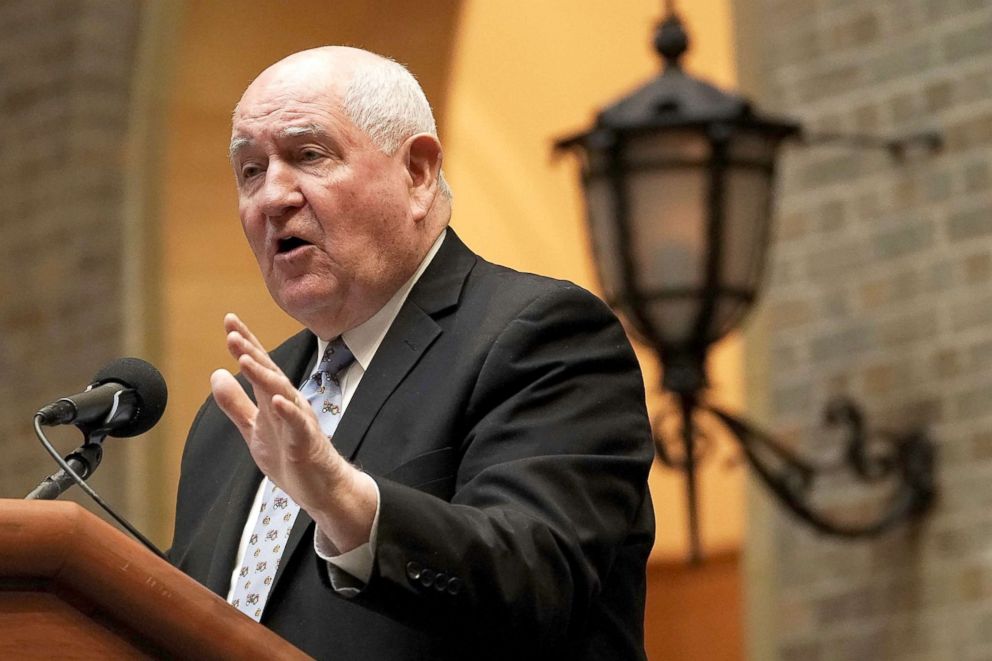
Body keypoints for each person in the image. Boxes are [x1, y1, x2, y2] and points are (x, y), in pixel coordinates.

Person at [169, 46, 655, 660]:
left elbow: (537, 579)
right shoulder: (228, 425)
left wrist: (341, 498)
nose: (273, 196)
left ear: (419, 173)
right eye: (250, 171)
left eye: (308, 155)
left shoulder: (541, 337)